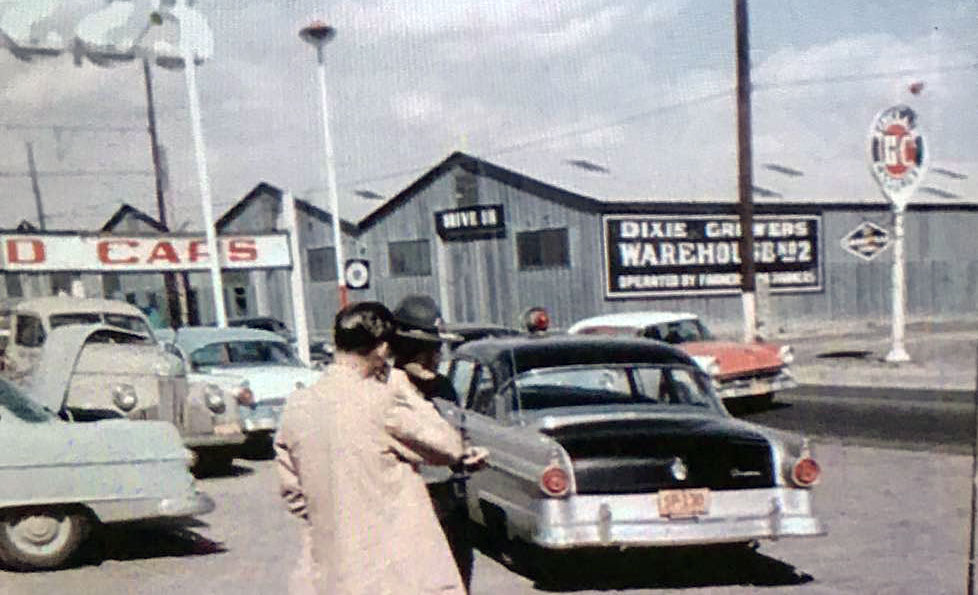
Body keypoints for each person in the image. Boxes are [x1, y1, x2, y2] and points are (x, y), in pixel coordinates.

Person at [273, 301, 478, 595]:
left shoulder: (298, 405)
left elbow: (293, 494)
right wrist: (406, 392)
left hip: (331, 571)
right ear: (382, 350)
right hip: (394, 572)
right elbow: (449, 447)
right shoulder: (384, 402)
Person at [390, 295, 489, 594]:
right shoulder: (387, 389)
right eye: (427, 350)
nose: (435, 357)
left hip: (449, 508)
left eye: (436, 349)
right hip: (406, 509)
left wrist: (467, 454)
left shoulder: (443, 387)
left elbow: (457, 434)